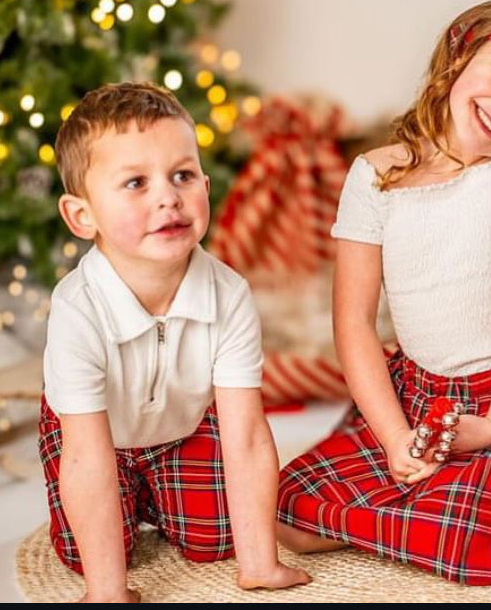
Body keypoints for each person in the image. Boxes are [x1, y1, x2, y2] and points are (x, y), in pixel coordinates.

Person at [274, 0, 491, 585]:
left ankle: (459, 507)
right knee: (285, 512)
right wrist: (393, 437)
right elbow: (353, 323)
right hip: (416, 394)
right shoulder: (375, 175)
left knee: (468, 544)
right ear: (463, 51)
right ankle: (419, 503)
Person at [39, 82, 311, 602]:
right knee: (87, 551)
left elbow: (246, 432)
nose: (168, 196)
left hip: (182, 428)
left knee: (219, 539)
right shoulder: (78, 308)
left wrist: (260, 563)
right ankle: (131, 507)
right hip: (96, 436)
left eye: (182, 175)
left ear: (206, 187)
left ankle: (162, 498)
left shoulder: (228, 294)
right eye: (136, 183)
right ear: (82, 216)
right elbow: (84, 458)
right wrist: (107, 591)